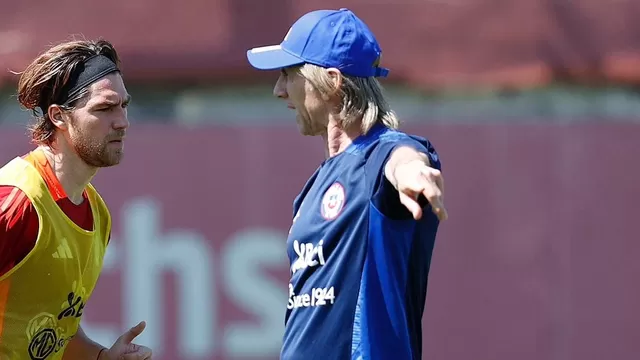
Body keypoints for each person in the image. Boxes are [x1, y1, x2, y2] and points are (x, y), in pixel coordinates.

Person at [246, 8, 448, 360]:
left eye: (288, 74)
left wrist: (410, 171)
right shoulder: (316, 184)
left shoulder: (380, 156)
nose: (279, 90)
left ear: (332, 81)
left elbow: (402, 156)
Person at [0, 39, 152, 360]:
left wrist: (101, 357)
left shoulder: (98, 215)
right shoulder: (17, 201)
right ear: (58, 116)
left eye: (124, 106)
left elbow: (54, 330)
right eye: (104, 108)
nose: (122, 121)